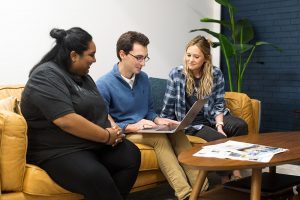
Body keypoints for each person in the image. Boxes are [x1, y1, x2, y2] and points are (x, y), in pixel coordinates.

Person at [21, 27, 141, 200]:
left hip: (89, 143)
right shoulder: (45, 76)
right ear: (74, 55)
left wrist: (114, 129)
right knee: (96, 175)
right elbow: (66, 120)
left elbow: (100, 107)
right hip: (58, 150)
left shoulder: (83, 75)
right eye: (91, 54)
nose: (94, 59)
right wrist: (106, 136)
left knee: (130, 155)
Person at [96, 31, 208, 200]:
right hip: (127, 132)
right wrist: (132, 126)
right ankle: (185, 194)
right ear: (122, 54)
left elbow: (148, 110)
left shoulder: (143, 78)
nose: (143, 63)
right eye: (138, 58)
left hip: (147, 127)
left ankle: (203, 190)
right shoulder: (104, 84)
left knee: (177, 132)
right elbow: (103, 122)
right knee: (159, 139)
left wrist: (158, 120)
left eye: (145, 58)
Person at [160, 35, 248, 179]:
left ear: (205, 58)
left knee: (240, 126)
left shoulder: (215, 73)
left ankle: (236, 168)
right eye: (188, 55)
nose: (190, 60)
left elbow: (219, 104)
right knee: (218, 139)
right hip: (192, 125)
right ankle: (230, 177)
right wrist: (167, 125)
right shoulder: (176, 74)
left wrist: (220, 125)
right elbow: (167, 108)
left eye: (196, 57)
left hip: (213, 118)